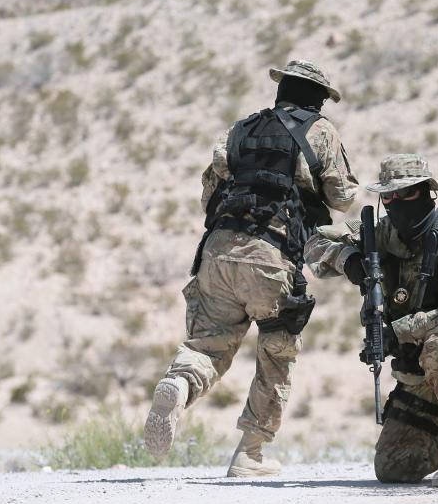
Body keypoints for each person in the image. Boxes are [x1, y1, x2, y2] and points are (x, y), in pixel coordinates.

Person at [145, 60, 358, 477]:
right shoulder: (322, 131)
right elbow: (343, 197)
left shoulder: (241, 129)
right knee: (276, 355)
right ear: (317, 98)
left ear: (282, 89)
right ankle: (250, 454)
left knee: (209, 345)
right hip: (273, 255)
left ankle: (181, 383)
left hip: (218, 251)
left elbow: (209, 195)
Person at [304, 153, 438, 488]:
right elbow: (314, 242)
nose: (395, 203)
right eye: (388, 196)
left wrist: (399, 330)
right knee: (394, 468)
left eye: (405, 194)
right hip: (420, 366)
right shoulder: (380, 234)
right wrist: (349, 262)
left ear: (425, 192)